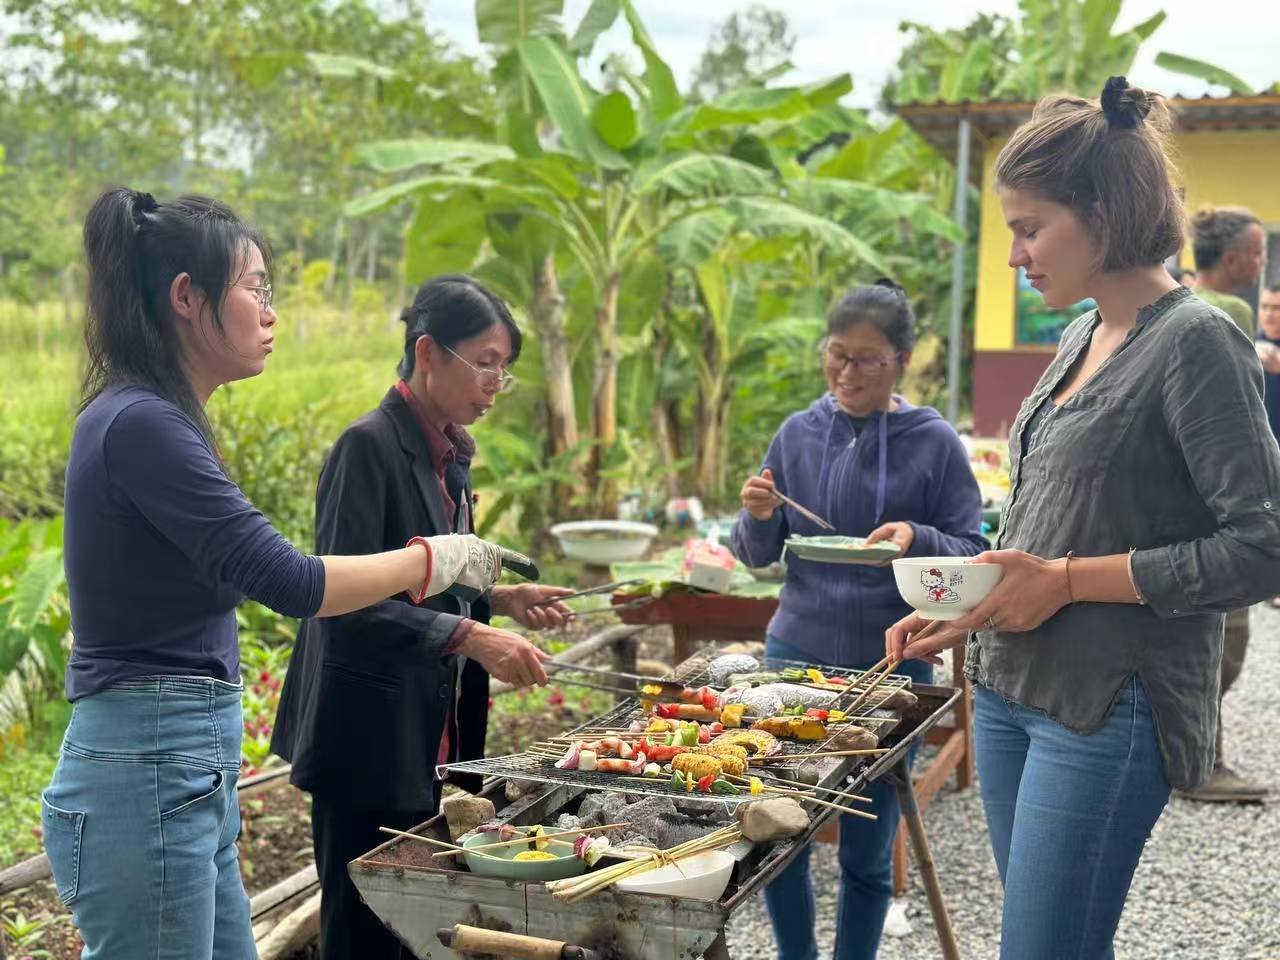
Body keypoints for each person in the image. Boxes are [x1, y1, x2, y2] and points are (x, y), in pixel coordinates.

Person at [40, 188, 539, 960]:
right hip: (148, 762)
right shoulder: (141, 422)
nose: (271, 311)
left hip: (181, 758)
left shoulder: (166, 419)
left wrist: (473, 583)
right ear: (186, 297)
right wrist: (437, 560)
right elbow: (291, 580)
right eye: (256, 288)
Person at [887, 78, 1280, 960]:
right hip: (1010, 689)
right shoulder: (1081, 335)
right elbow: (1054, 514)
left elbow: (1262, 548)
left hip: (1109, 704)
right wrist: (967, 598)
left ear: (1104, 210)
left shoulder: (1197, 341)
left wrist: (1063, 583)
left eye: (1031, 229)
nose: (1017, 255)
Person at [271, 276, 573, 959]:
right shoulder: (368, 447)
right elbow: (342, 607)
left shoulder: (449, 453)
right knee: (362, 931)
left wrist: (501, 600)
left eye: (506, 367)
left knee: (418, 928)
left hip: (424, 737)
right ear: (429, 352)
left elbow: (434, 575)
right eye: (485, 360)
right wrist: (469, 634)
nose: (497, 380)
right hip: (365, 742)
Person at [732, 280, 987, 960]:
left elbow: (973, 548)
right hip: (793, 655)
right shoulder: (796, 433)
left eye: (867, 359)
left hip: (891, 663)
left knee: (869, 851)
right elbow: (758, 556)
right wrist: (757, 516)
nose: (846, 373)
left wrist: (916, 535)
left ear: (902, 360)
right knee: (778, 834)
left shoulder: (932, 442)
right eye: (836, 355)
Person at [1184, 205, 1270, 802]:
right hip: (1218, 499)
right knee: (1225, 636)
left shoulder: (1178, 304)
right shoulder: (1231, 312)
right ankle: (1198, 763)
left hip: (1182, 494)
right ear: (1235, 258)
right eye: (1260, 251)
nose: (1263, 262)